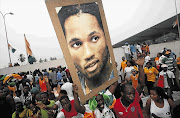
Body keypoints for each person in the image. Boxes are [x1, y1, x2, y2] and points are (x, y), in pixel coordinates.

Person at [58, 3, 113, 94]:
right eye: (77, 44)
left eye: (94, 38)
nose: (88, 54)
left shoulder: (115, 78)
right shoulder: (77, 87)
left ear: (106, 38)